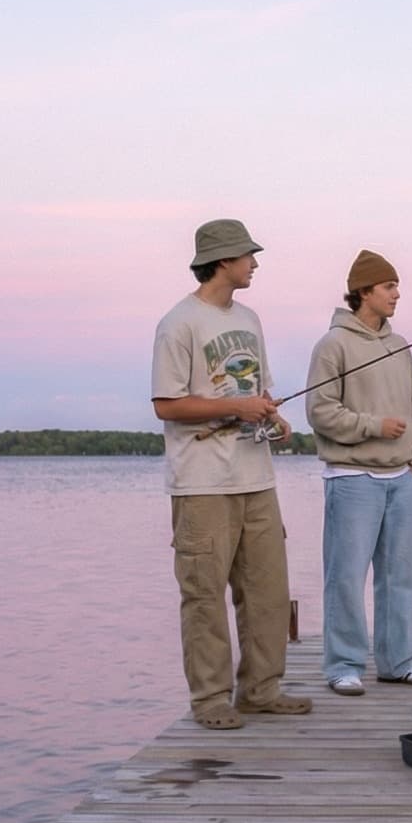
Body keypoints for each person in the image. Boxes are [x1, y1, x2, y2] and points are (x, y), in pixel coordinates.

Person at [149, 219, 314, 728]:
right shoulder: (178, 323)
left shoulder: (250, 318)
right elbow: (166, 405)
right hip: (201, 484)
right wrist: (236, 408)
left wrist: (270, 413)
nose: (255, 264)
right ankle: (210, 700)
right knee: (204, 596)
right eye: (248, 256)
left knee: (268, 592)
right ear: (223, 260)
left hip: (257, 480)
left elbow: (256, 390)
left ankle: (261, 690)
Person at [306, 249, 412, 696]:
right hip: (351, 479)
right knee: (345, 578)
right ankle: (343, 665)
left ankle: (399, 662)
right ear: (364, 292)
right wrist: (373, 427)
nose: (397, 294)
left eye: (396, 286)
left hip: (401, 479)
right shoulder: (332, 345)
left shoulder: (399, 346)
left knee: (401, 577)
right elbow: (320, 411)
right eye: (389, 286)